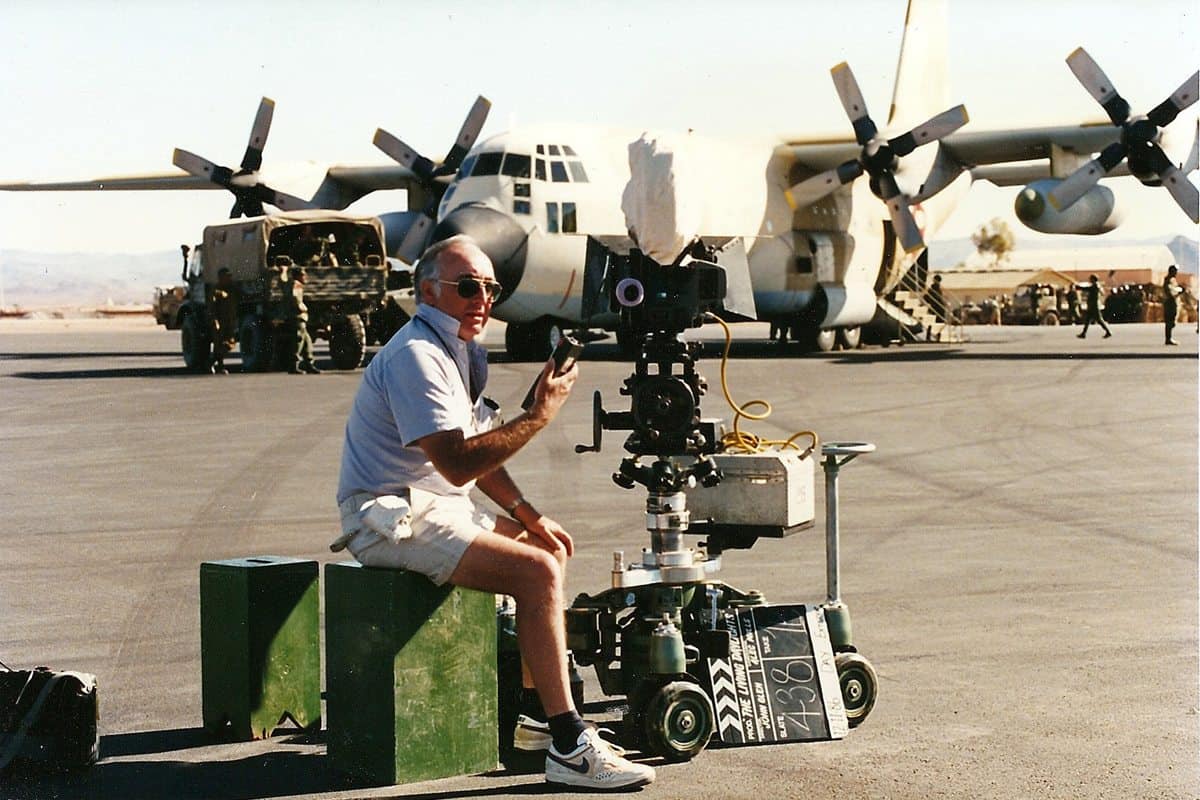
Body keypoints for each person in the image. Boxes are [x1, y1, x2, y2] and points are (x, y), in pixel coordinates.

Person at [333, 235, 654, 791]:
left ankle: (535, 720)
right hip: (386, 517)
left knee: (544, 550)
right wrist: (537, 414)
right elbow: (459, 463)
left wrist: (529, 515)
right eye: (467, 287)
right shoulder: (419, 357)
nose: (481, 298)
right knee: (538, 575)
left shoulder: (455, 349)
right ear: (427, 292)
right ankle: (571, 744)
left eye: (489, 287)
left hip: (432, 505)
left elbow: (479, 452)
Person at [286, 267, 321, 374]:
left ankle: (308, 363)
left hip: (299, 317)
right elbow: (294, 298)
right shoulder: (296, 284)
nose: (305, 277)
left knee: (307, 341)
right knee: (299, 341)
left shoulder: (294, 283)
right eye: (302, 275)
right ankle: (294, 365)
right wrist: (302, 307)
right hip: (298, 317)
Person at [209, 268, 237, 374]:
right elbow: (211, 308)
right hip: (220, 321)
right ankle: (218, 366)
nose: (229, 278)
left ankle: (211, 362)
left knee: (229, 343)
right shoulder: (216, 291)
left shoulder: (232, 289)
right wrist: (215, 321)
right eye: (226, 276)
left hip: (229, 321)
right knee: (219, 344)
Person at [1077, 274, 1112, 339]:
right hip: (1092, 306)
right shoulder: (1096, 286)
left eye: (1090, 279)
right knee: (1088, 320)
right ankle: (1083, 333)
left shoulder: (1095, 286)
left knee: (1099, 320)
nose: (1089, 280)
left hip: (1094, 307)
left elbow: (1087, 289)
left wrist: (1078, 287)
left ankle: (1108, 332)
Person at [1162, 265, 1182, 345]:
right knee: (1170, 321)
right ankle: (1168, 339)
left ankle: (1169, 338)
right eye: (1175, 271)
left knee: (1172, 321)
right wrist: (1178, 293)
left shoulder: (1173, 280)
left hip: (1173, 302)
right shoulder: (1168, 280)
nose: (1176, 272)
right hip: (1170, 303)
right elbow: (1169, 292)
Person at [924, 274, 945, 341]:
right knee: (934, 322)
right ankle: (933, 336)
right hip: (936, 307)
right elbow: (928, 297)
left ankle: (933, 336)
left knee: (935, 322)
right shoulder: (934, 289)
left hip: (937, 307)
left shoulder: (936, 288)